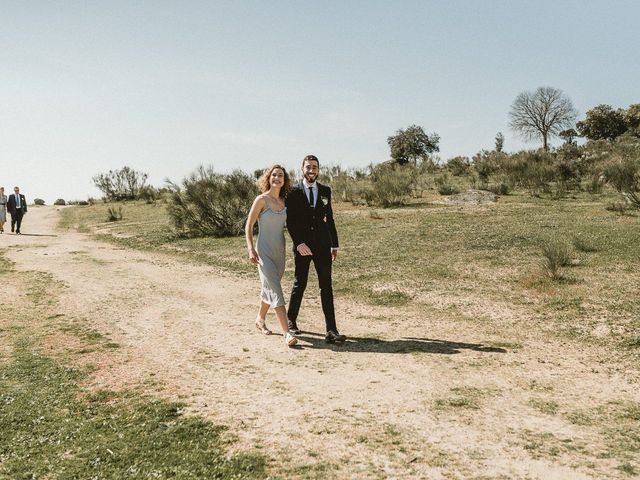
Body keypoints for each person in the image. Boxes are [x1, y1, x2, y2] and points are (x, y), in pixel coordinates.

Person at [286, 155, 346, 344]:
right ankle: (290, 321)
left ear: (318, 170)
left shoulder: (325, 191)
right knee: (300, 283)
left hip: (322, 245)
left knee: (326, 286)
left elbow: (330, 218)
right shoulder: (293, 192)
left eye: (314, 167)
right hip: (303, 246)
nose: (311, 171)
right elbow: (291, 222)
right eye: (308, 167)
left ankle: (331, 330)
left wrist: (334, 244)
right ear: (302, 169)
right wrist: (299, 243)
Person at [245, 165, 298, 347]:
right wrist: (251, 249)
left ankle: (260, 318)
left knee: (270, 287)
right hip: (263, 252)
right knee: (276, 290)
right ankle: (287, 333)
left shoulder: (284, 202)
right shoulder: (261, 200)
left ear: (284, 180)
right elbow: (249, 225)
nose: (277, 178)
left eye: (280, 176)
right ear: (268, 178)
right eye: (274, 175)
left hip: (279, 252)